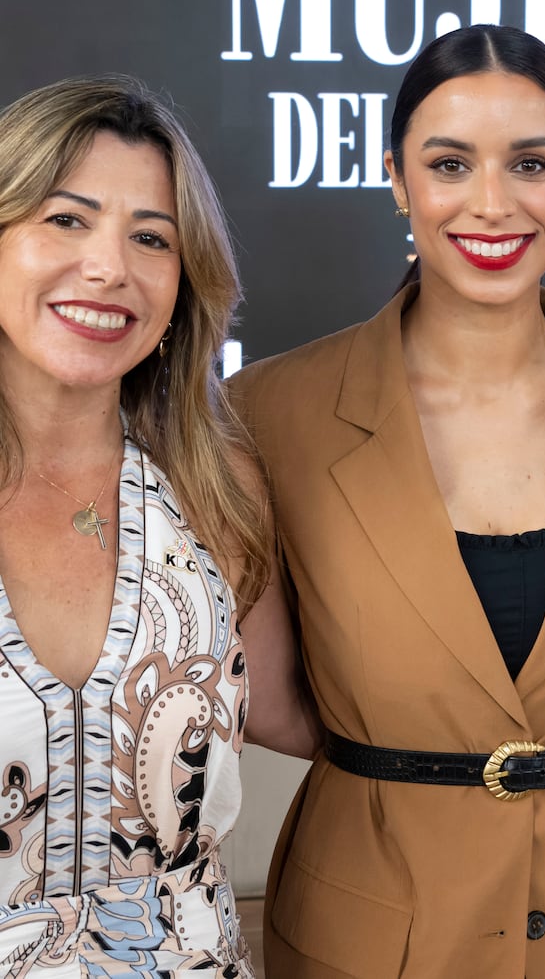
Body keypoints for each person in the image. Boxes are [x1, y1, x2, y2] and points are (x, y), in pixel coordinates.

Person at [230, 24, 545, 978]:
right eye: (449, 163)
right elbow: (257, 693)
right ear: (397, 177)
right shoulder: (267, 411)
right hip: (371, 920)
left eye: (530, 162)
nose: (492, 203)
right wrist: (401, 758)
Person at [0, 75, 317, 976]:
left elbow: (301, 715)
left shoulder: (218, 486)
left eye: (151, 238)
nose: (109, 267)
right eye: (65, 219)